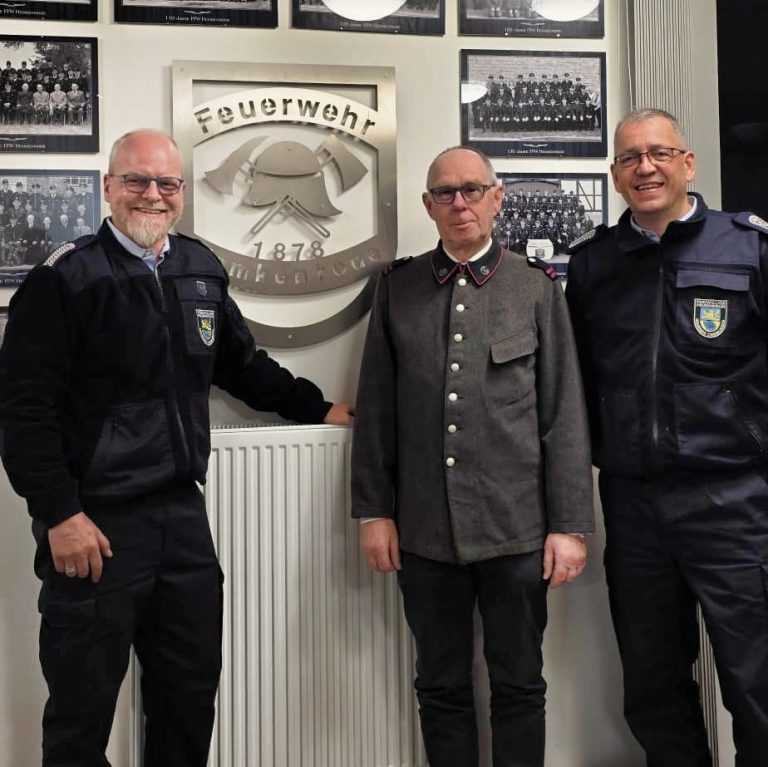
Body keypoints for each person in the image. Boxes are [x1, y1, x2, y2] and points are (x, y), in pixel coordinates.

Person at [0, 128, 353, 767]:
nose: (152, 195)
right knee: (81, 718)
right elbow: (23, 409)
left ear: (182, 194)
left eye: (166, 183)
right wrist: (59, 513)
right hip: (94, 523)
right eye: (137, 180)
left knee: (188, 702)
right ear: (109, 188)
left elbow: (241, 366)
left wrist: (320, 407)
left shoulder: (198, 268)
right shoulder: (66, 278)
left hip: (183, 521)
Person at [351, 146, 594, 767]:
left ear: (497, 197)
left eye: (472, 190)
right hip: (425, 531)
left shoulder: (536, 289)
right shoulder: (398, 289)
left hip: (517, 529)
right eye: (445, 193)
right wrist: (375, 511)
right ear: (428, 205)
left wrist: (568, 524)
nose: (459, 204)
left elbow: (563, 413)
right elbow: (377, 411)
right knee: (439, 685)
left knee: (519, 685)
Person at [566, 108, 768, 767]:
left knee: (755, 681)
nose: (644, 167)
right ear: (616, 176)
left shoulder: (747, 248)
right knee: (653, 688)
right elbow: (577, 383)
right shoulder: (595, 265)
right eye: (629, 158)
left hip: (733, 501)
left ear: (688, 163)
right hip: (634, 504)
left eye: (658, 153)